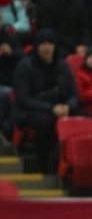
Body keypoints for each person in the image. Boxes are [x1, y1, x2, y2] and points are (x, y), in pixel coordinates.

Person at [12, 28, 78, 173]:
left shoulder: (63, 66)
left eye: (50, 43)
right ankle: (44, 164)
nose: (46, 47)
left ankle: (72, 165)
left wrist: (68, 106)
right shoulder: (25, 66)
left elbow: (74, 94)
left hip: (59, 107)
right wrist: (50, 108)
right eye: (42, 43)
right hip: (30, 110)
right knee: (46, 122)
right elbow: (23, 99)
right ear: (37, 46)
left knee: (82, 119)